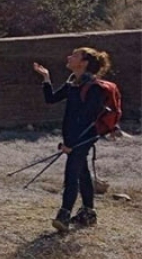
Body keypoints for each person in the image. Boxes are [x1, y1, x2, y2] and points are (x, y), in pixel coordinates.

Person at [33, 47, 110, 233]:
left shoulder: (94, 88)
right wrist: (46, 78)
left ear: (83, 63)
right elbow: (50, 99)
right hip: (74, 138)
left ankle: (64, 215)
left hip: (84, 138)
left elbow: (86, 119)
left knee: (71, 176)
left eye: (74, 55)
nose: (69, 57)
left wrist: (72, 143)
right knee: (82, 173)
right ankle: (88, 213)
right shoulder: (72, 84)